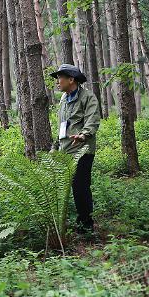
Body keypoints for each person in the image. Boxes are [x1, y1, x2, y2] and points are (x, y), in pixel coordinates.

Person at [50, 64, 101, 234]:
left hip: (82, 150)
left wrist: (84, 135)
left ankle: (86, 224)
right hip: (65, 150)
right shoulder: (63, 99)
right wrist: (55, 147)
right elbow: (61, 126)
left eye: (60, 77)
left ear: (71, 79)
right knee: (68, 187)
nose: (58, 81)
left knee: (80, 186)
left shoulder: (88, 97)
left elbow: (92, 120)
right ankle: (77, 221)